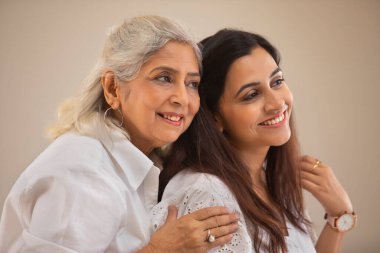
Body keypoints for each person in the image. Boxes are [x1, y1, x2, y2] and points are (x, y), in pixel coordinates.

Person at [0, 17, 240, 253]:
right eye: (164, 78)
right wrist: (159, 250)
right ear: (113, 88)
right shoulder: (84, 173)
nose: (182, 98)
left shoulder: (146, 160)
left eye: (192, 83)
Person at [152, 29, 356, 252]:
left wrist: (339, 217)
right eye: (251, 95)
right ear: (214, 117)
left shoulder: (273, 180)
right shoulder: (207, 193)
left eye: (277, 81)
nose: (277, 103)